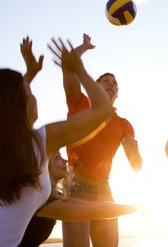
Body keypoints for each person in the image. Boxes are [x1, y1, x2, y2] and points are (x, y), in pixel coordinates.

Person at [0, 37, 115, 247]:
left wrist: (30, 74)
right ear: (19, 104)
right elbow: (103, 110)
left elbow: (1, 104)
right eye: (29, 91)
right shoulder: (39, 142)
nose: (34, 97)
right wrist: (78, 69)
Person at [61, 34, 143, 247]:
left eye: (114, 84)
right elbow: (69, 67)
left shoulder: (124, 124)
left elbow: (136, 167)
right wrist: (83, 48)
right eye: (106, 81)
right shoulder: (80, 104)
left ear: (117, 94)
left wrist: (136, 152)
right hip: (76, 187)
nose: (111, 85)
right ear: (94, 87)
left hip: (104, 190)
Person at [19, 152, 138, 247]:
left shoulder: (51, 197)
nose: (65, 160)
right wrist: (135, 208)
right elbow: (93, 211)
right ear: (44, 166)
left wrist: (133, 207)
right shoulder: (40, 200)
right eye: (57, 157)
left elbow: (91, 206)